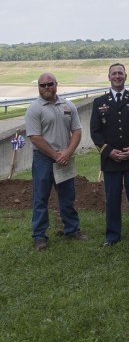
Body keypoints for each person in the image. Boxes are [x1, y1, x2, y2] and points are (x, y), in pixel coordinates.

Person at [25, 73, 87, 251]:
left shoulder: (68, 105)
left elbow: (77, 131)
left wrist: (67, 152)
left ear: (56, 85)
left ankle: (72, 230)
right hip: (43, 159)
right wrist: (55, 155)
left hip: (64, 157)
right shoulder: (34, 109)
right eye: (42, 85)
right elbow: (35, 138)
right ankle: (39, 236)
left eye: (49, 84)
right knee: (40, 197)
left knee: (68, 196)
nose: (46, 88)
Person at [90, 63, 129, 246]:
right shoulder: (99, 102)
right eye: (114, 73)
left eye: (120, 73)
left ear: (125, 76)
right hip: (111, 161)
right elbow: (95, 132)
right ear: (109, 77)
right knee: (112, 200)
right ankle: (112, 236)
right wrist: (108, 152)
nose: (117, 76)